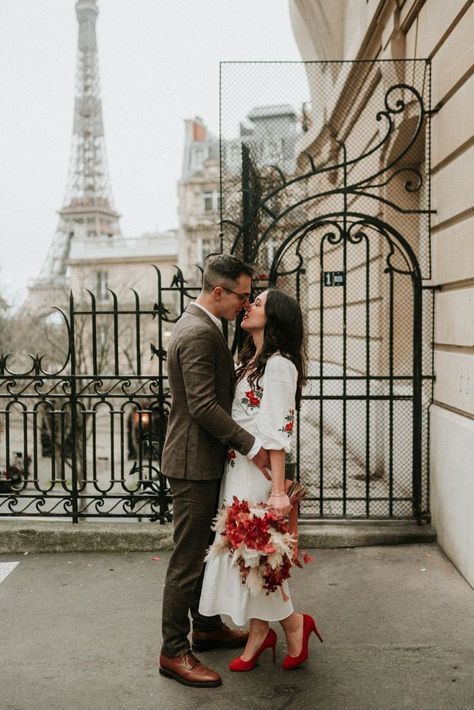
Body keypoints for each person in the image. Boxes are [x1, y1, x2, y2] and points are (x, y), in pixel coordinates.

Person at [159, 254, 270, 688]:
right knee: (187, 560)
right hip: (192, 462)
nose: (245, 304)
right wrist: (253, 445)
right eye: (241, 296)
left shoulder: (202, 326)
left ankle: (205, 627)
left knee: (206, 550)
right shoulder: (199, 333)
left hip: (200, 458)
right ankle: (173, 651)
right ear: (218, 291)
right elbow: (204, 406)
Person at [199, 288, 323, 672]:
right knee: (248, 559)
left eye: (258, 303)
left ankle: (291, 624)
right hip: (238, 471)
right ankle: (262, 633)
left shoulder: (280, 366)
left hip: (259, 476)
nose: (249, 306)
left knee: (258, 556)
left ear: (275, 319)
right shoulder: (251, 360)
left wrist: (278, 492)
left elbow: (277, 432)